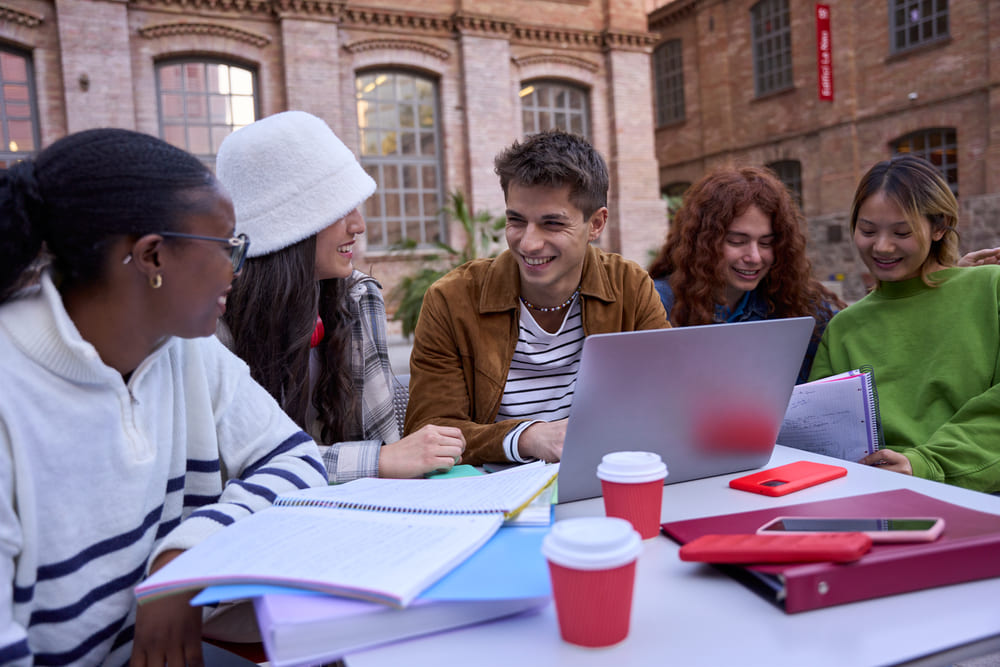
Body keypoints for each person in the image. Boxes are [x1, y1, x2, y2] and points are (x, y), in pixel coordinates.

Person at [0, 128, 327, 664]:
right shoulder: (11, 394)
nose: (234, 270)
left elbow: (295, 460)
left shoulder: (186, 351)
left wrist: (182, 559)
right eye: (226, 247)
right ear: (152, 256)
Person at [216, 110, 465, 482]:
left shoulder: (358, 297)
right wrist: (376, 462)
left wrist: (388, 459)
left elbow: (385, 441)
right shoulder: (212, 322)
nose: (358, 226)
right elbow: (237, 466)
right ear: (287, 225)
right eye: (338, 208)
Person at [405, 130, 669, 466]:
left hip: (600, 478)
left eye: (552, 224)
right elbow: (430, 431)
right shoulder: (451, 300)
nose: (529, 244)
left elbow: (663, 402)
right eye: (516, 220)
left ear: (596, 223)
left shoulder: (629, 285)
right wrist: (526, 438)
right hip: (491, 490)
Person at [810, 154, 1000, 493]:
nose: (881, 247)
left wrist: (927, 463)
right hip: (874, 505)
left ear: (940, 226)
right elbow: (821, 439)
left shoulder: (990, 288)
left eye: (902, 231)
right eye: (867, 230)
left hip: (978, 503)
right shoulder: (842, 328)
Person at [648, 165, 846, 384]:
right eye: (737, 241)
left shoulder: (799, 306)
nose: (754, 257)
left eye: (766, 243)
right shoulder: (656, 304)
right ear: (702, 241)